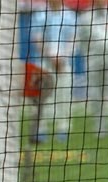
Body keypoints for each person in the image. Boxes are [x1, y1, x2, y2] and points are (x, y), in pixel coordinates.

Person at [29, 0, 79, 143]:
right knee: (41, 97)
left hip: (64, 64)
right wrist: (50, 56)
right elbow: (37, 39)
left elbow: (73, 39)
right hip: (43, 63)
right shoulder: (40, 15)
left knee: (64, 96)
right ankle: (40, 129)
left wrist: (63, 57)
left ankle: (63, 128)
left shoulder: (69, 16)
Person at [77, 0, 108, 138]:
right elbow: (82, 41)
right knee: (95, 96)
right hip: (94, 62)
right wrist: (89, 57)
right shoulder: (86, 18)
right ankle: (100, 128)